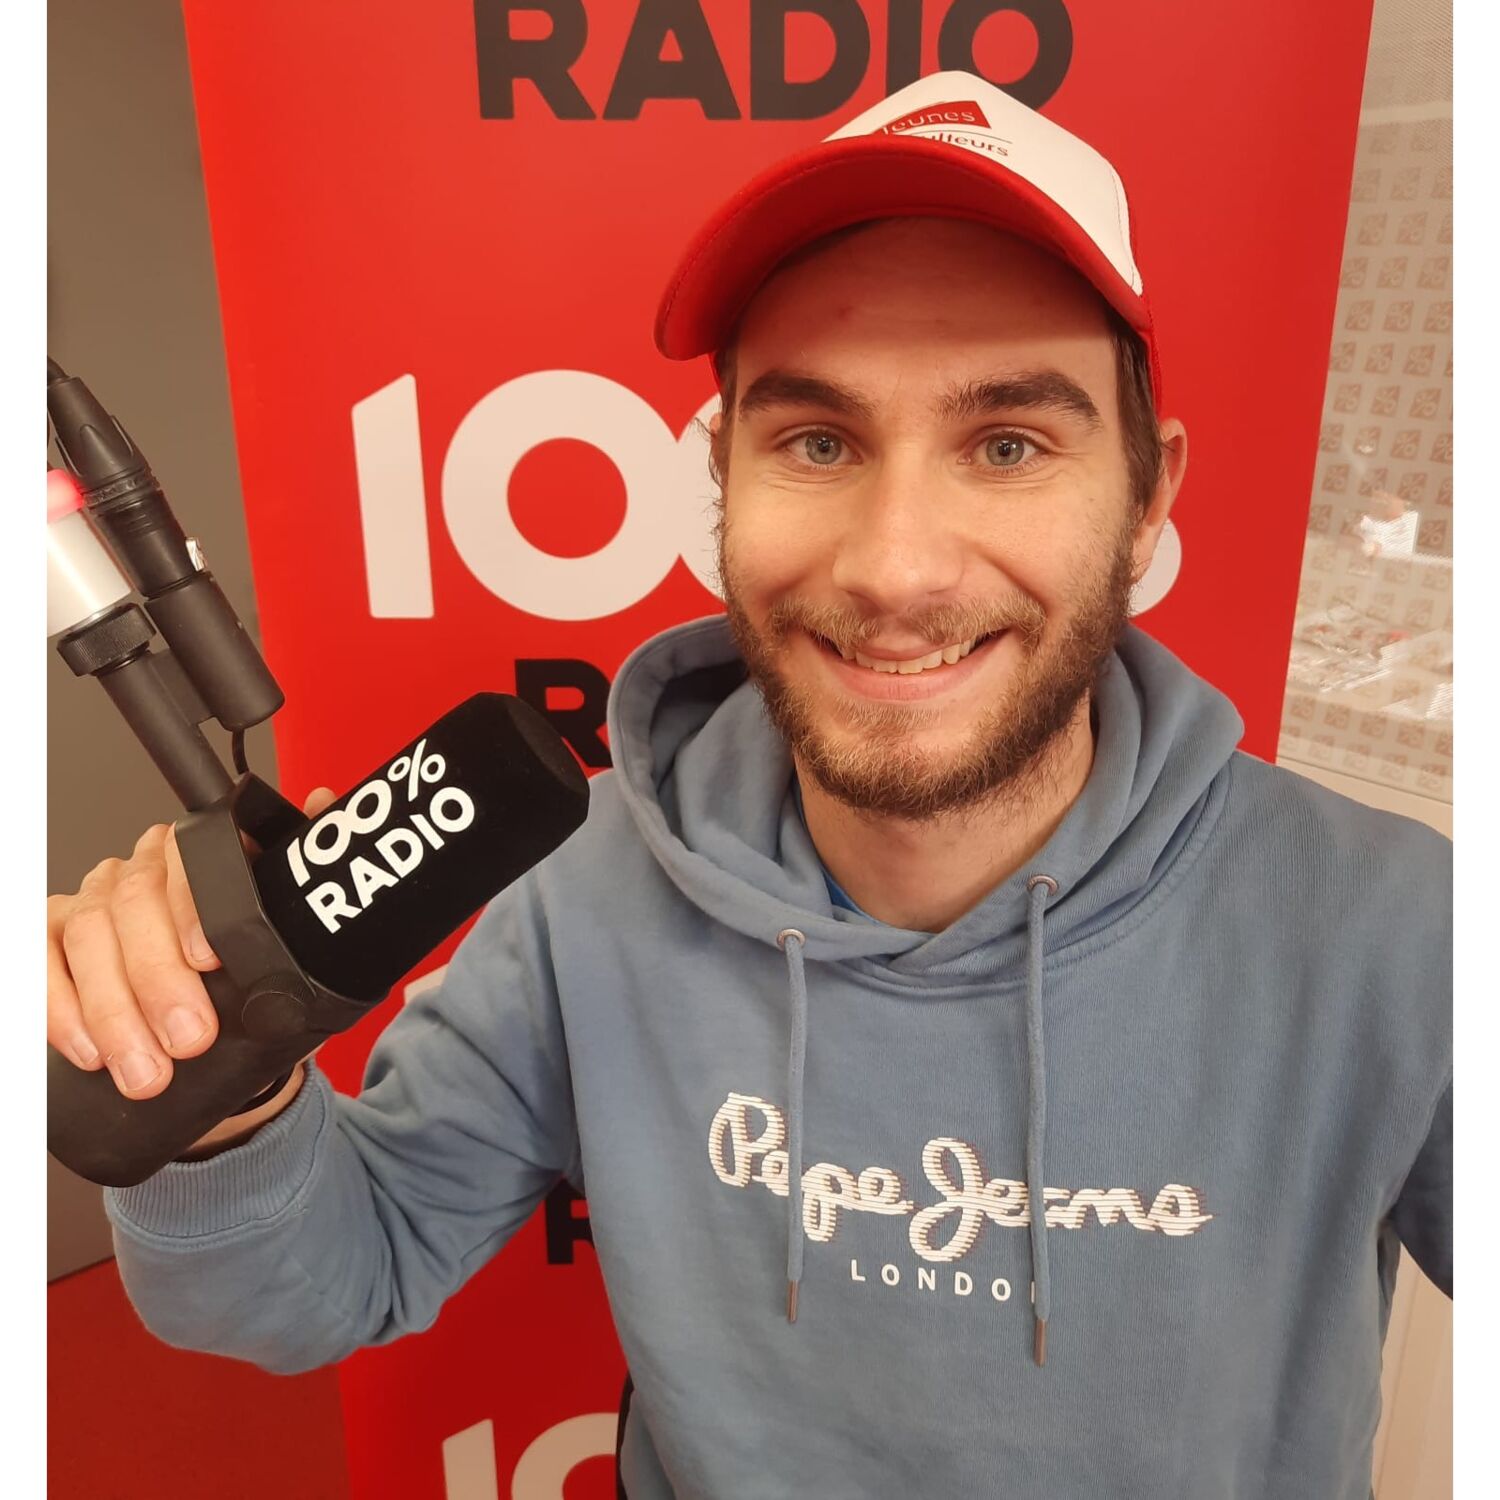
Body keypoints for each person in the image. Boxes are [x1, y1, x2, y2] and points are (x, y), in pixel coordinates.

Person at [47, 72, 1451, 1498]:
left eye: (1009, 444)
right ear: (722, 478)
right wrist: (211, 1079)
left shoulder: (1397, 931)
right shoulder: (585, 887)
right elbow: (319, 1282)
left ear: (1149, 495)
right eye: (819, 442)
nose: (896, 566)